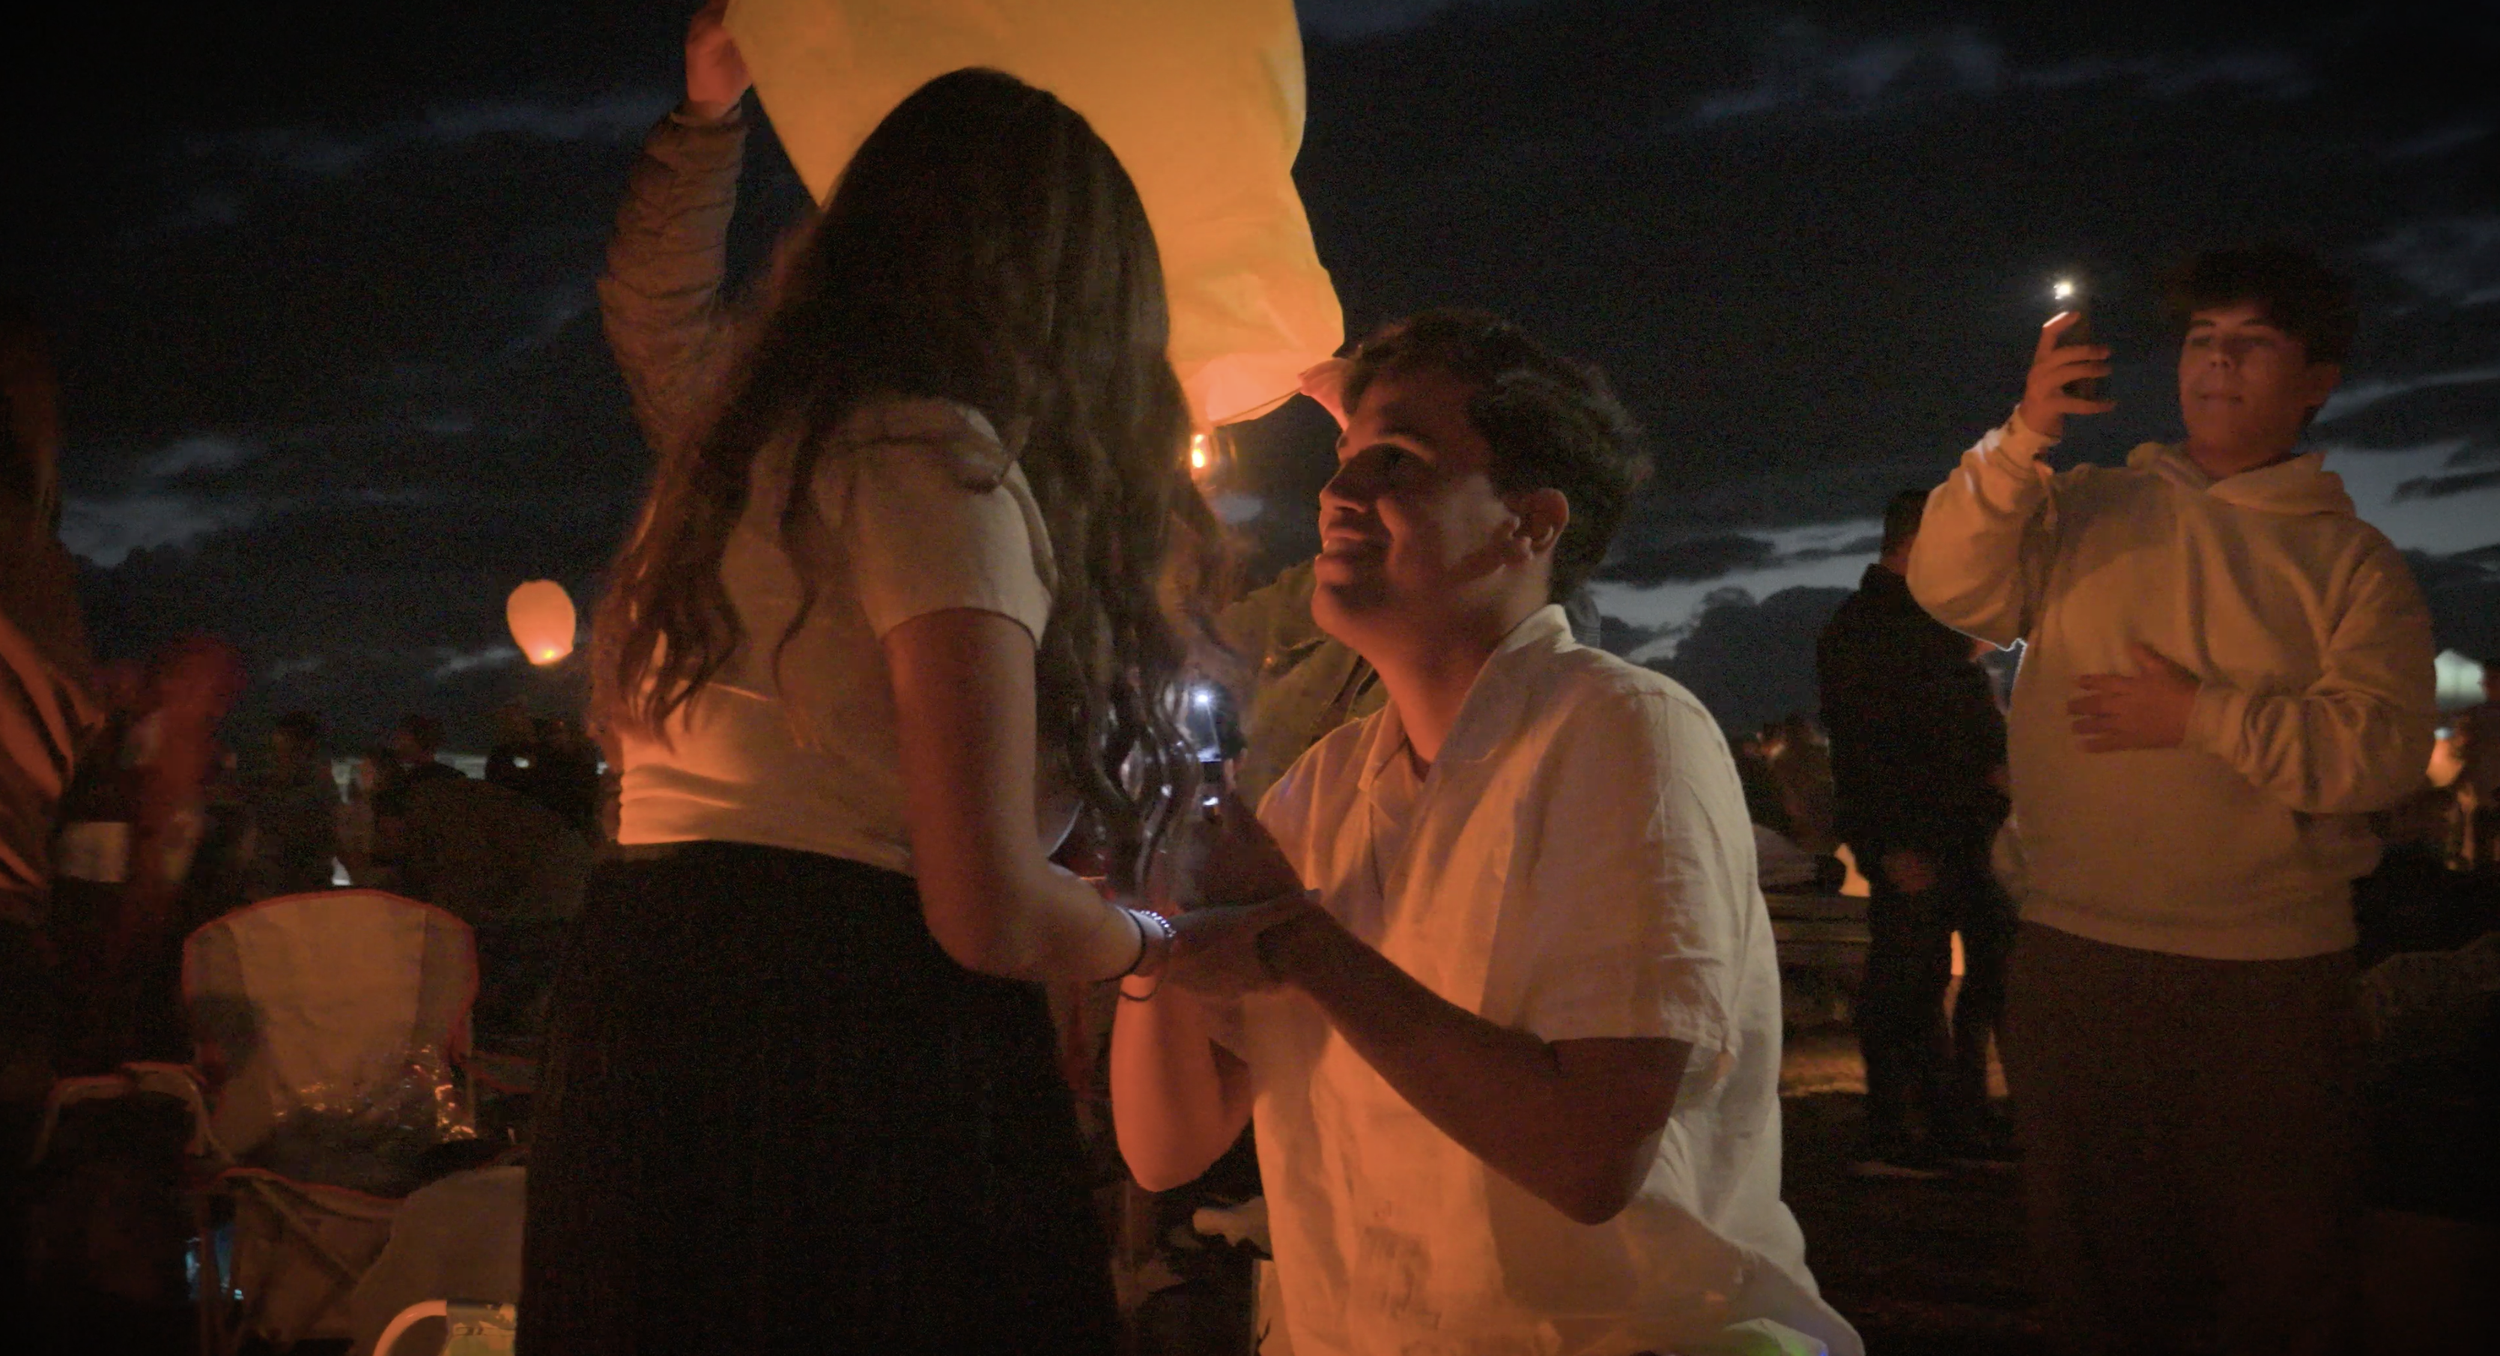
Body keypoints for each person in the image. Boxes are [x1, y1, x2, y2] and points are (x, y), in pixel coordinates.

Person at [519, 10, 1220, 1352]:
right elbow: (984, 913)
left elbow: (653, 318)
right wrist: (1159, 945)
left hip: (648, 996)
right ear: (1074, 295)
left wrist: (705, 123)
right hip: (844, 1031)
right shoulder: (933, 463)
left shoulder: (761, 440)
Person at [1111, 311, 1860, 1356]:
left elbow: (1589, 1157)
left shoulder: (1615, 730)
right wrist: (1155, 911)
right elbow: (1165, 1145)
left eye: (1396, 460)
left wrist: (1299, 940)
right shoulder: (1321, 790)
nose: (1336, 493)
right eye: (1341, 460)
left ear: (1530, 523)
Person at [1907, 244, 2438, 1354]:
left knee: (2278, 1275)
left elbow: (2382, 755)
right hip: (2072, 957)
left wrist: (2202, 715)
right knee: (2094, 1269)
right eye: (2202, 341)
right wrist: (2023, 439)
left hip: (2267, 979)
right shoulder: (2088, 506)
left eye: (2252, 344)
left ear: (2317, 379)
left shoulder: (2349, 562)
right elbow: (1948, 582)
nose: (2217, 364)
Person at [1816, 489, 2012, 1175]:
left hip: (1951, 836)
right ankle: (1906, 1130)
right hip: (1927, 840)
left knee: (1938, 981)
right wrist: (1892, 843)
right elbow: (1871, 749)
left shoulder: (1902, 624)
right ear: (1918, 541)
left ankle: (1946, 1124)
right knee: (1910, 985)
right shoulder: (1877, 630)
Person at [242, 710, 339, 900]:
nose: (278, 755)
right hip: (277, 884)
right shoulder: (274, 781)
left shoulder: (314, 784)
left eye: (284, 747)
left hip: (294, 885)